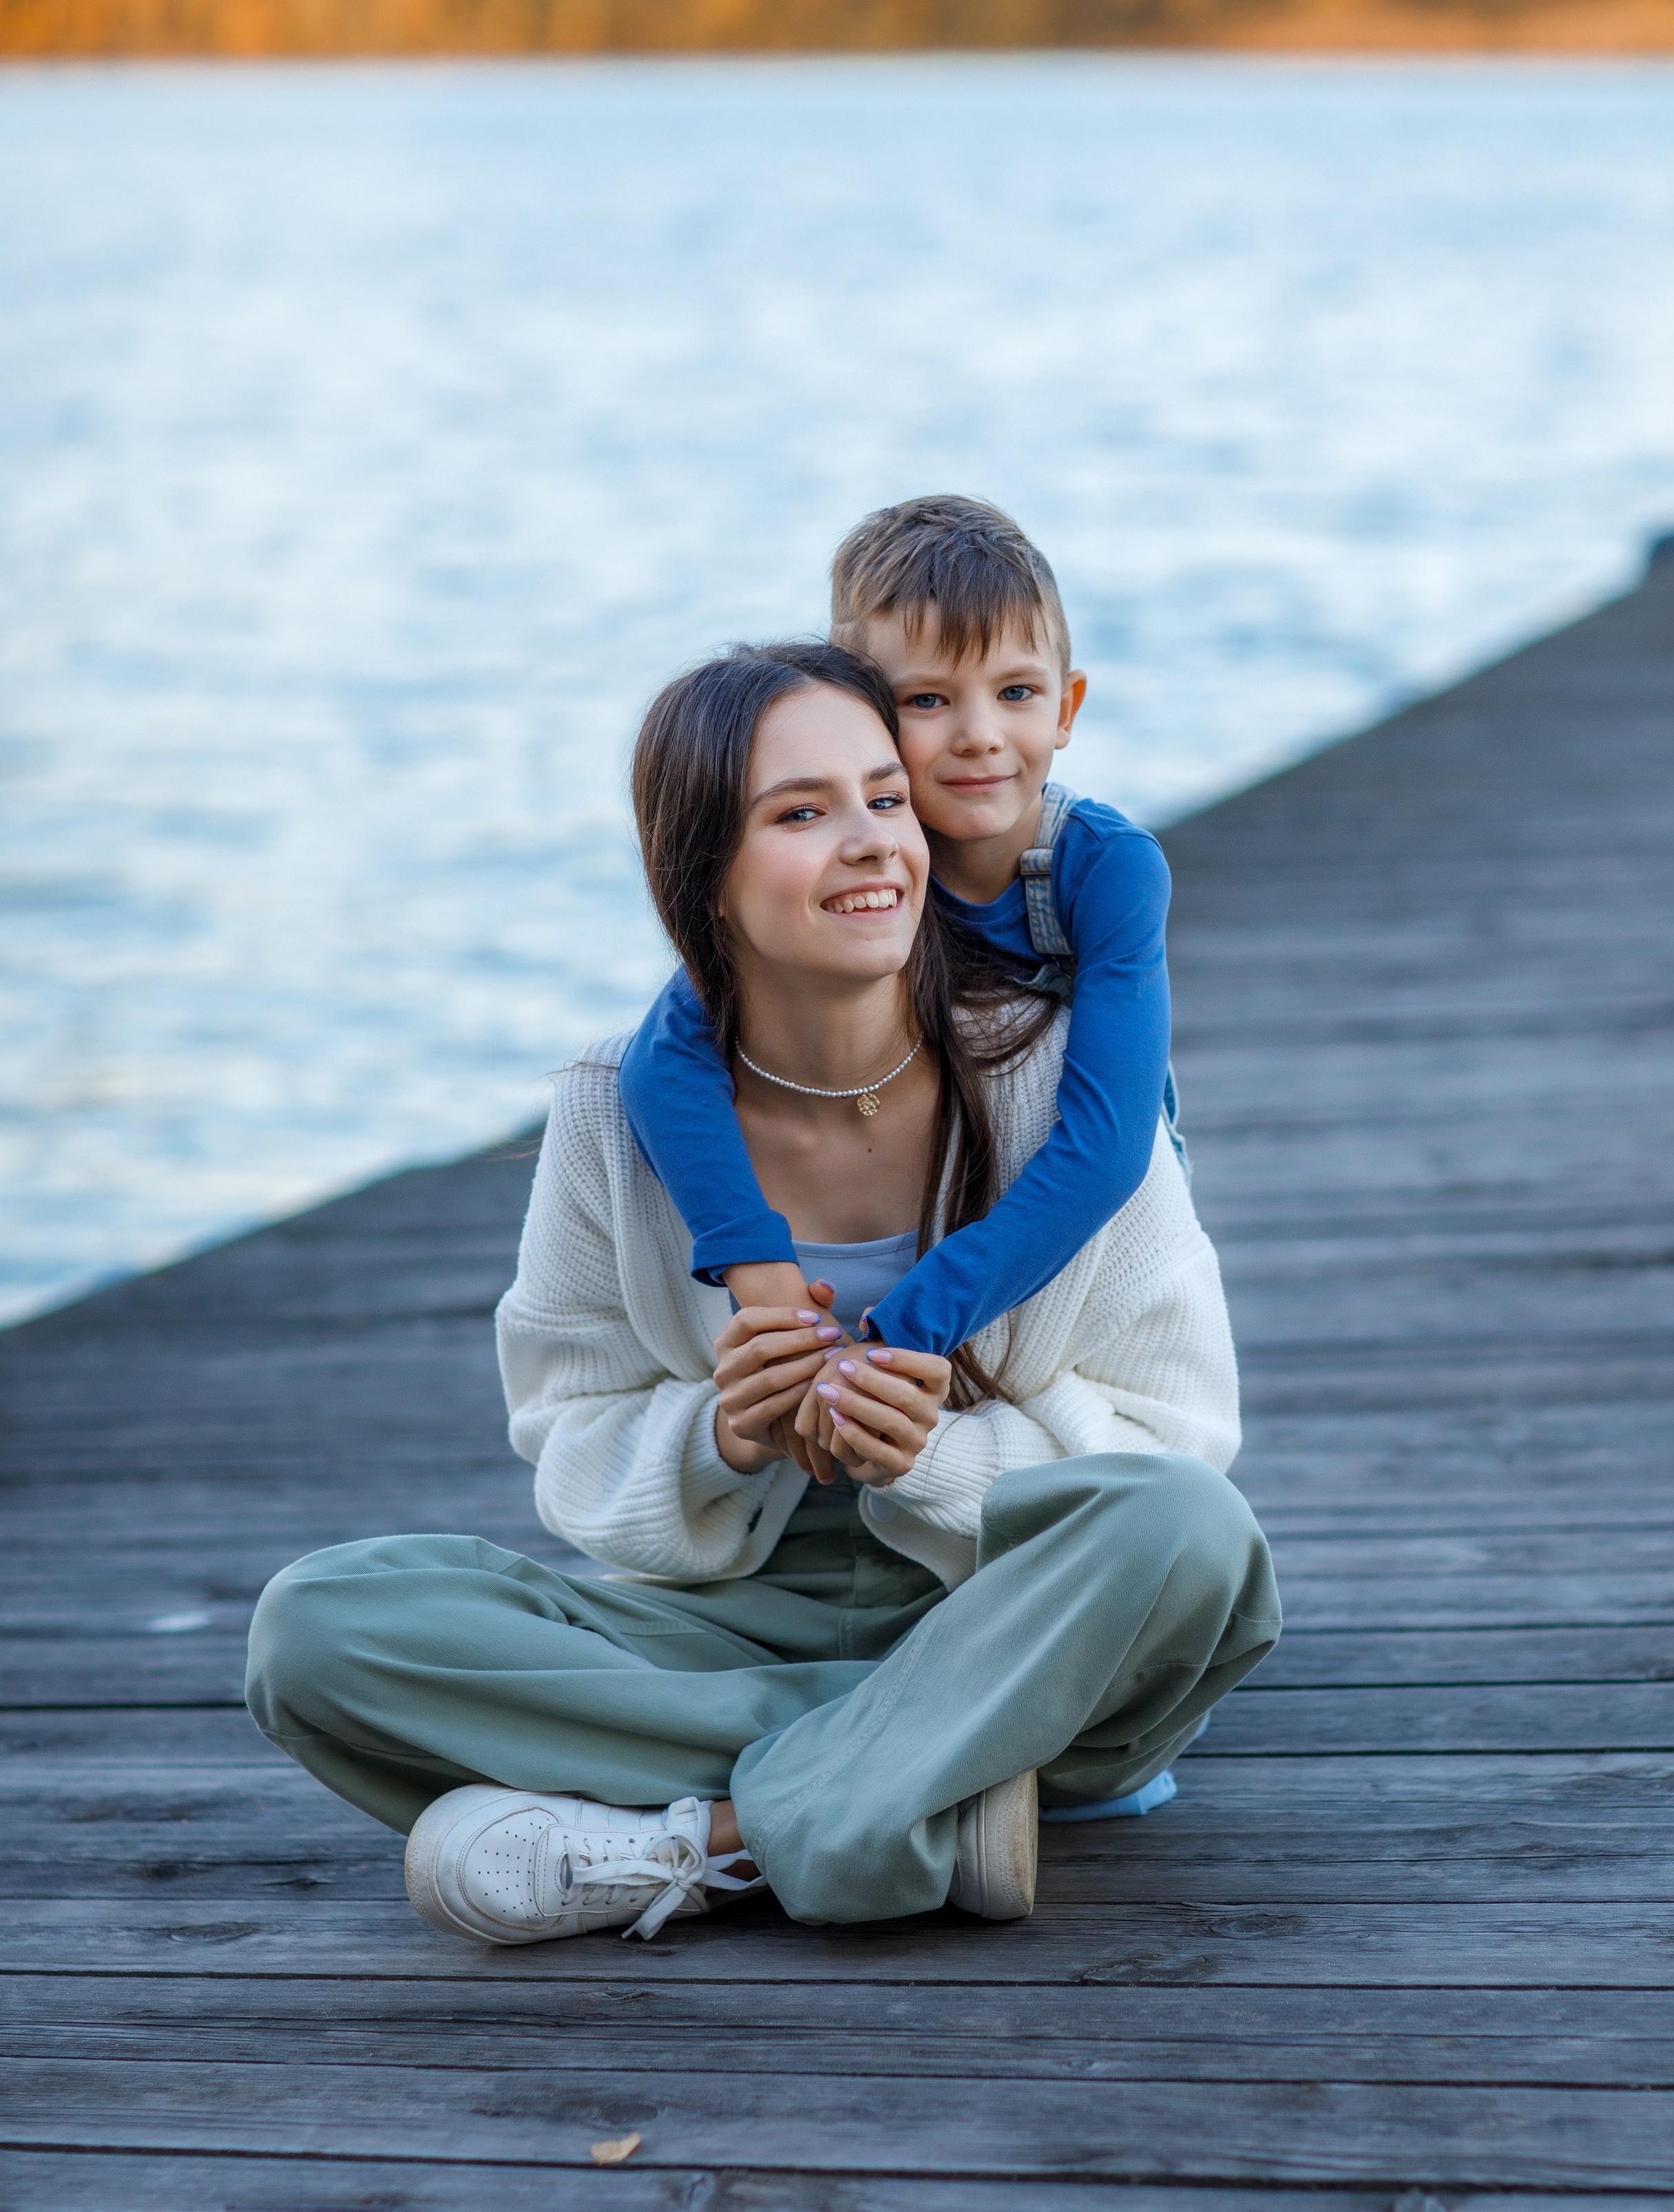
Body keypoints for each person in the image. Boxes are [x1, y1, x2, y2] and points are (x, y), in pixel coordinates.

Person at [246, 642, 1279, 1948]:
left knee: (1192, 1538)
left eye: (885, 798)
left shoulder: (1058, 1088)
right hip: (725, 1626)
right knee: (316, 1631)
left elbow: (1179, 1434)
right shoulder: (611, 1112)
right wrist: (720, 1439)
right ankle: (932, 1785)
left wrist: (943, 1459)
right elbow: (569, 1429)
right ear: (706, 882)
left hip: (1012, 1600)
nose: (870, 844)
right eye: (801, 814)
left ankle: (703, 1839)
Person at [620, 495, 1181, 1378]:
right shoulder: (858, 868)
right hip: (889, 1160)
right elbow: (662, 1055)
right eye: (927, 699)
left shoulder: (1102, 868)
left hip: (1071, 1197)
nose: (979, 737)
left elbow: (1109, 1146)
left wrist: (916, 1317)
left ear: (1067, 706)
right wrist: (756, 1268)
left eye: (1017, 692)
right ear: (862, 711)